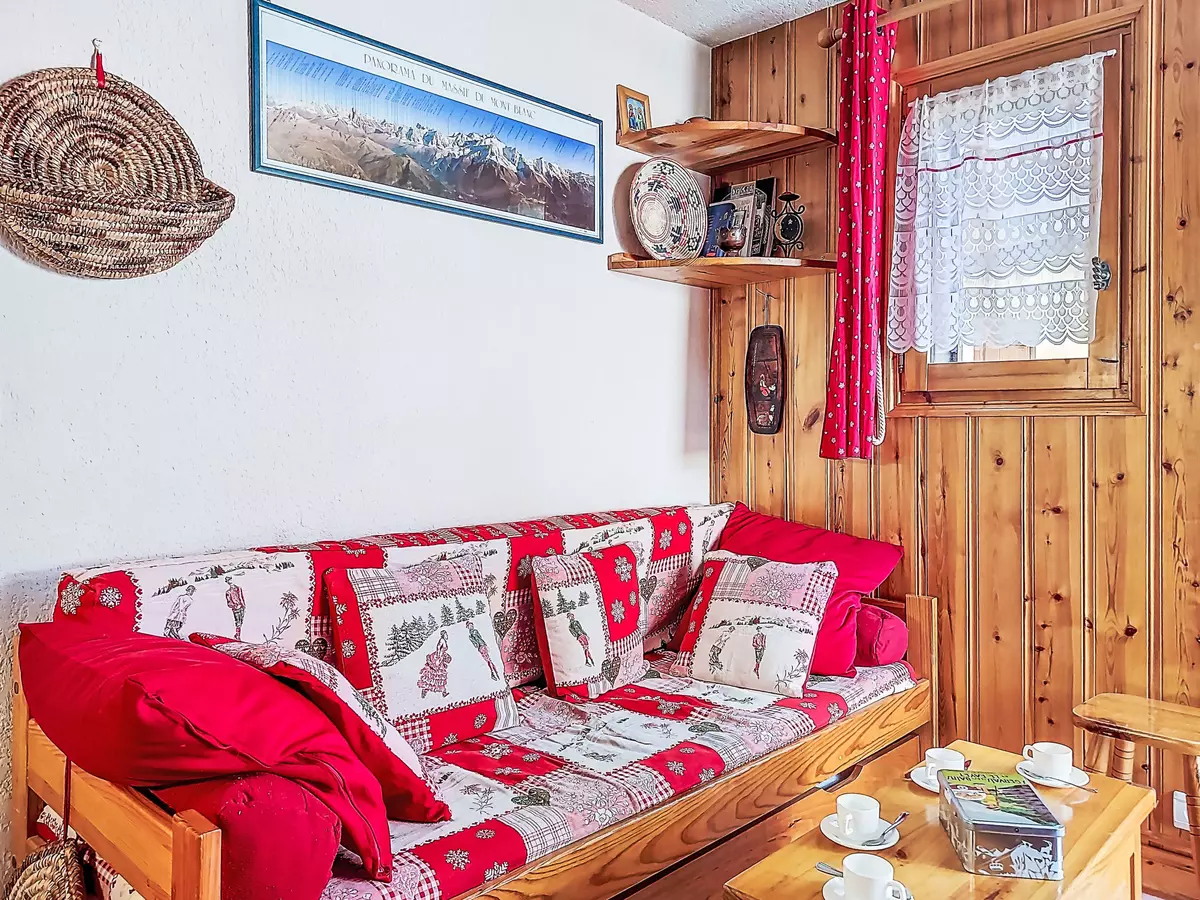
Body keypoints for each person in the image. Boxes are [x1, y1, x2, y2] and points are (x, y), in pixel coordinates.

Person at [418, 631, 452, 699]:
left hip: (440, 658)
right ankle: (425, 690)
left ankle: (443, 691)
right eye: (446, 634)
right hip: (438, 658)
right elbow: (438, 647)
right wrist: (439, 656)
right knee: (434, 675)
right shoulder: (442, 640)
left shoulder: (444, 640)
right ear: (443, 635)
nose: (447, 636)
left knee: (438, 676)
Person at [224, 576, 246, 640]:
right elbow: (229, 603)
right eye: (228, 581)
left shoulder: (239, 588)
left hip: (242, 607)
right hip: (236, 609)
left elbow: (241, 597)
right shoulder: (228, 592)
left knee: (241, 622)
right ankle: (238, 635)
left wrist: (243, 605)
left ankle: (237, 634)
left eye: (230, 580)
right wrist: (235, 606)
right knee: (238, 623)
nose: (230, 581)